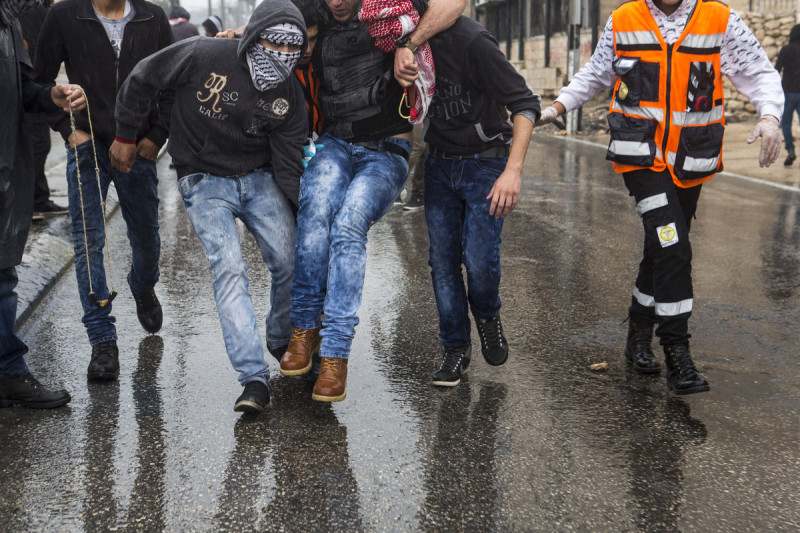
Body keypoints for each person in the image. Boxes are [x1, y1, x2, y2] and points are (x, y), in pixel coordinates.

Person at [536, 0, 783, 395]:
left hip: (691, 159)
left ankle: (637, 335)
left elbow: (759, 72)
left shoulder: (720, 19)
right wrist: (557, 106)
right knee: (674, 247)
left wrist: (770, 115)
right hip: (641, 158)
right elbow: (596, 73)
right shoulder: (623, 19)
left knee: (662, 246)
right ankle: (677, 353)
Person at [111, 0, 308, 412]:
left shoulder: (289, 93)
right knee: (230, 268)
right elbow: (143, 77)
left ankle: (278, 338)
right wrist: (127, 134)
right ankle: (253, 378)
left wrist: (301, 211)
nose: (283, 55)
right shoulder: (204, 54)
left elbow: (289, 160)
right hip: (202, 178)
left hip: (258, 176)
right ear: (254, 35)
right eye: (275, 41)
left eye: (294, 47)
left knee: (291, 260)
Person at [279, 0, 464, 402]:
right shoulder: (319, 16)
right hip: (335, 143)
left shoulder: (388, 10)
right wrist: (235, 38)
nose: (339, 3)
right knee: (315, 211)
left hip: (386, 149)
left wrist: (408, 43)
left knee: (348, 225)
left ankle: (335, 353)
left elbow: (454, 3)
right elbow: (273, 26)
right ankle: (305, 327)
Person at [34, 0, 174, 382]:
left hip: (138, 144)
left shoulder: (153, 17)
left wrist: (156, 137)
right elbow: (39, 84)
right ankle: (102, 340)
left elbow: (172, 83)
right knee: (87, 240)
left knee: (147, 239)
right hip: (88, 143)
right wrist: (67, 130)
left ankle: (143, 285)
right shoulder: (64, 15)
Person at [397, 14, 540, 387]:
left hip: (486, 164)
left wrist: (513, 171)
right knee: (442, 263)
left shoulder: (473, 41)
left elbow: (525, 104)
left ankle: (488, 315)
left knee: (478, 262)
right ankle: (455, 349)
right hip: (440, 164)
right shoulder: (405, 44)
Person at [0, 0, 86, 409]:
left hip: (6, 171)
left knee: (3, 279)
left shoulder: (8, 21)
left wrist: (51, 95)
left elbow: (23, 91)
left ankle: (9, 374)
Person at [19, 0, 68, 218]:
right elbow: (26, 46)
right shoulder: (32, 9)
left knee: (35, 143)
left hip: (29, 84)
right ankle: (31, 201)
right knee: (37, 143)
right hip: (29, 85)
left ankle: (36, 198)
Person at [775, 24, 800, 166]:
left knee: (786, 123)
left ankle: (790, 149)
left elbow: (776, 69)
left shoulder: (785, 50)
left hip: (788, 92)